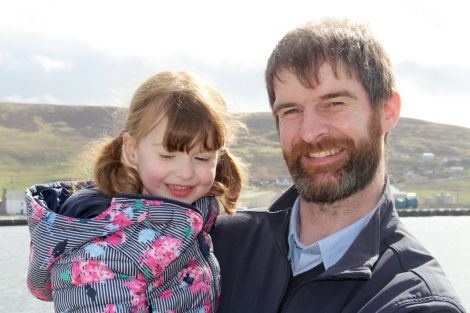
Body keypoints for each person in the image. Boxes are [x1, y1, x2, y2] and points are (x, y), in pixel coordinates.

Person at [212, 18, 466, 313]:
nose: (310, 132)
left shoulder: (417, 302)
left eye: (334, 103)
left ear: (387, 110)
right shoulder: (219, 244)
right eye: (291, 110)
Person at [25, 71, 244, 313]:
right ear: (132, 150)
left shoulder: (194, 218)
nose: (185, 172)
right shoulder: (106, 254)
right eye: (167, 155)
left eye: (202, 157)